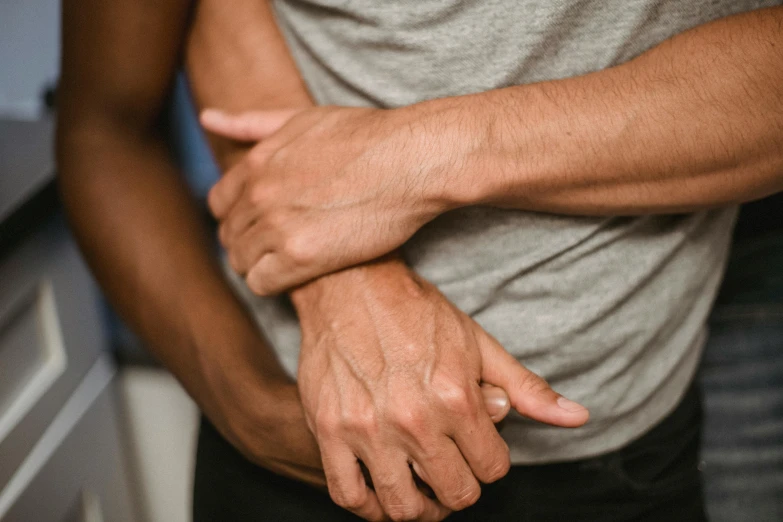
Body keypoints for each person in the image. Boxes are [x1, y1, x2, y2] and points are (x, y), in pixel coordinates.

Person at [57, 1, 783, 521]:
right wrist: (245, 405)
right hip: (293, 438)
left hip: (618, 445)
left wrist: (413, 158)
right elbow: (104, 130)